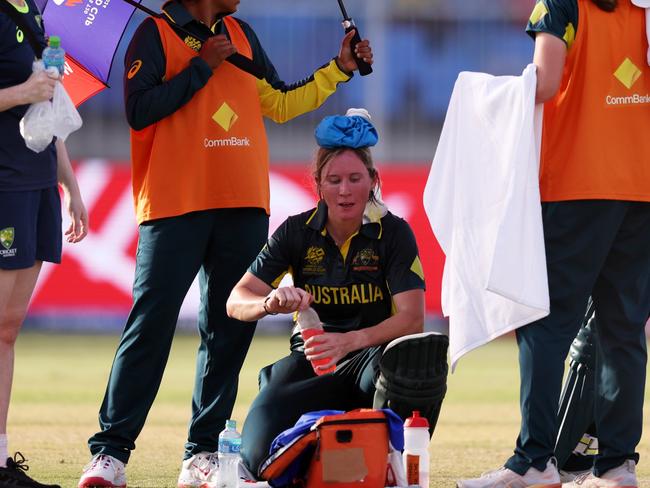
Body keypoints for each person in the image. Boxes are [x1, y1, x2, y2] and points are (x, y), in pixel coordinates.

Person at [77, 0, 374, 486]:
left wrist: (338, 69)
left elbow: (278, 101)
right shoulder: (155, 34)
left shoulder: (240, 32)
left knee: (227, 330)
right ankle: (110, 454)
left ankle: (204, 452)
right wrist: (202, 67)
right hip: (174, 204)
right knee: (149, 326)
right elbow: (139, 111)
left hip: (242, 204)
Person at [458, 0, 650, 487]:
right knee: (623, 333)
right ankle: (617, 466)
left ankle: (535, 461)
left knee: (544, 325)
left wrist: (478, 95)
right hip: (642, 189)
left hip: (577, 188)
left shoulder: (563, 2)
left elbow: (543, 83)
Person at [225, 109, 428, 477]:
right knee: (254, 458)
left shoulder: (394, 233)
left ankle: (393, 461)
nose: (345, 190)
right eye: (334, 180)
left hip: (371, 361)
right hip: (312, 362)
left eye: (355, 178)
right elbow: (236, 300)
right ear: (318, 183)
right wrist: (270, 302)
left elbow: (412, 318)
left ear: (373, 180)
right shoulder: (294, 232)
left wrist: (350, 341)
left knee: (417, 356)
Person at [0, 0, 89, 486]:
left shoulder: (33, 11)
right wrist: (20, 91)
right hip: (4, 183)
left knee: (8, 329)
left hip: (37, 185)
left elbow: (47, 111)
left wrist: (71, 188)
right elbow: (27, 94)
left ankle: (0, 459)